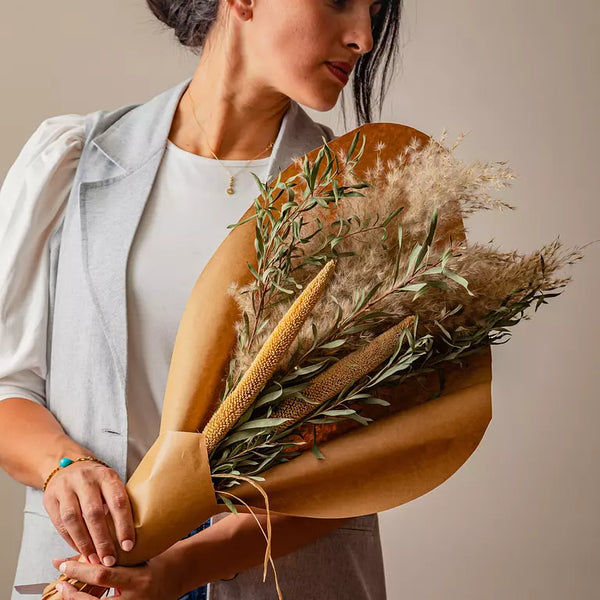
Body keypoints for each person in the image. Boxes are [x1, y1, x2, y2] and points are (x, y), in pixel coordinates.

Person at [0, 1, 403, 598]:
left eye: (374, 12)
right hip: (85, 580)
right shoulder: (71, 161)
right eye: (341, 1)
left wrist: (184, 568)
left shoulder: (359, 199)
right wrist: (64, 465)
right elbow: (9, 384)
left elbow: (368, 451)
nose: (364, 38)